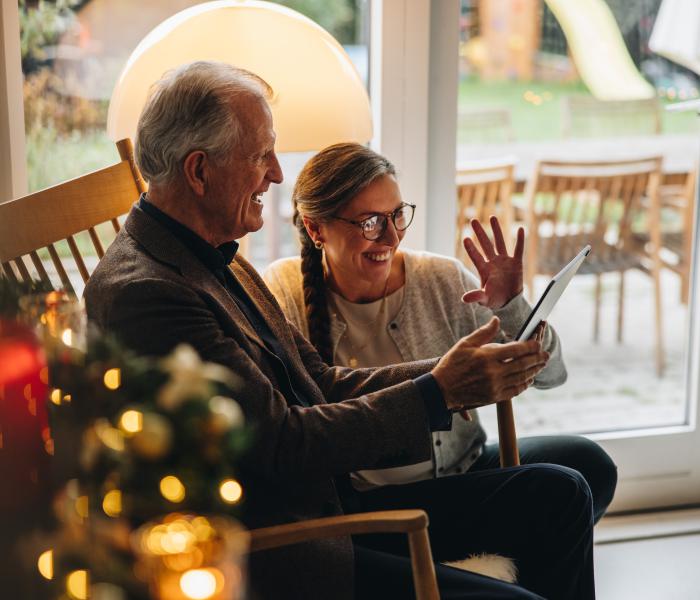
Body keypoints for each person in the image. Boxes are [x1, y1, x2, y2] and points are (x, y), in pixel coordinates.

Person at [85, 60, 595, 600]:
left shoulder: (212, 253)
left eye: (395, 215)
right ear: (198, 171)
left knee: (563, 489)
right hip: (300, 543)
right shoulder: (151, 293)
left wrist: (448, 377)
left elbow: (320, 382)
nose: (278, 174)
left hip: (332, 504)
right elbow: (282, 444)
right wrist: (439, 392)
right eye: (261, 155)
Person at [264, 142, 617, 525]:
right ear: (316, 228)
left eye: (397, 215)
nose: (390, 237)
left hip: (459, 474)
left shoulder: (440, 279)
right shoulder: (282, 292)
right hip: (362, 503)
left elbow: (551, 375)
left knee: (588, 465)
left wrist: (512, 305)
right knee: (558, 493)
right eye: (370, 222)